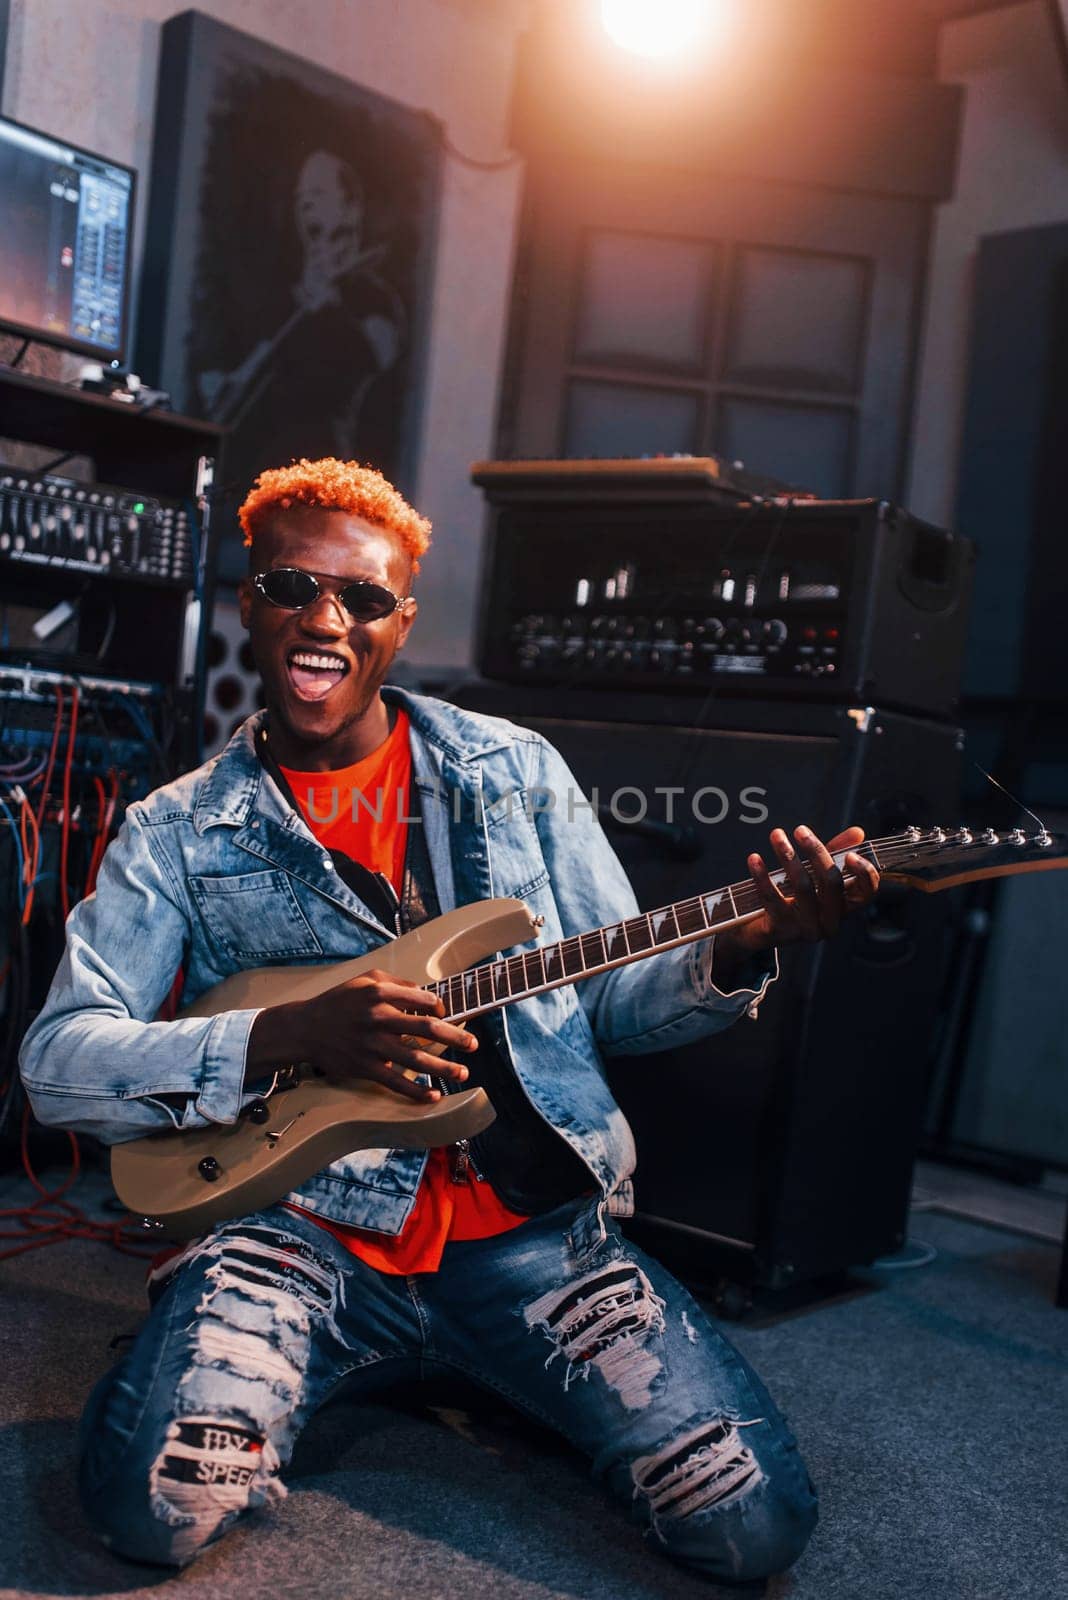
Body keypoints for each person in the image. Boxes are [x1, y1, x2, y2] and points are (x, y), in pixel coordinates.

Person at [19, 457, 879, 1579]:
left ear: (402, 621)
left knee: (751, 1525)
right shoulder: (177, 829)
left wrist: (742, 942)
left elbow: (614, 1001)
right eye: (292, 587)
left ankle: (468, 1356)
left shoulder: (511, 771)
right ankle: (345, 1344)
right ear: (248, 602)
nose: (326, 619)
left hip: (530, 1237)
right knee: (147, 1509)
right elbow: (57, 1061)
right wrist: (290, 1035)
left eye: (364, 598)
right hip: (301, 1232)